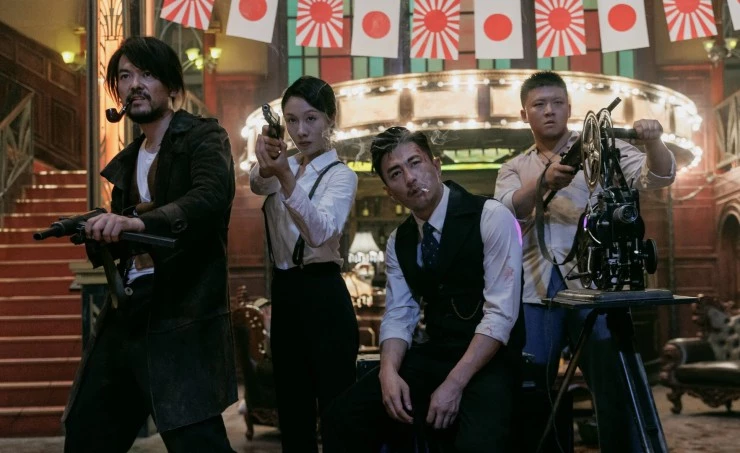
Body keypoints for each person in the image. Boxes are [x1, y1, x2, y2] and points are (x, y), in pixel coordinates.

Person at [61, 37, 237, 452]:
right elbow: (127, 236)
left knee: (196, 441)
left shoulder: (203, 136)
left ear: (172, 86)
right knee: (87, 432)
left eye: (147, 74)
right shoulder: (129, 157)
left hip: (182, 308)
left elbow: (210, 196)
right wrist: (98, 231)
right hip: (127, 309)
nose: (134, 84)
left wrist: (137, 221)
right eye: (125, 76)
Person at [494, 71, 676, 452]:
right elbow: (504, 211)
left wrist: (654, 140)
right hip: (536, 288)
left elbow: (658, 176)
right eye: (539, 104)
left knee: (613, 385)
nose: (549, 111)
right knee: (534, 386)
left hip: (597, 284)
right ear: (524, 114)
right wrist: (544, 181)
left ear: (569, 107)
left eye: (557, 103)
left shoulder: (602, 147)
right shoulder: (514, 167)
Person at [323, 126, 525, 453]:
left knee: (475, 446)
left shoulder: (491, 216)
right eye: (396, 173)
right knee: (342, 417)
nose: (410, 178)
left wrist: (454, 385)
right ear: (389, 191)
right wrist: (387, 372)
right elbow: (399, 315)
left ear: (436, 164)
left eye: (415, 163)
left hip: (490, 359)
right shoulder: (399, 240)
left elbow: (500, 316)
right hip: (436, 352)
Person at [249, 75, 359, 453]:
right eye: (292, 121)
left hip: (324, 292)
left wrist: (283, 174)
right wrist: (270, 163)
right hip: (285, 292)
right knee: (292, 412)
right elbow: (257, 183)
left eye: (311, 119)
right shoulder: (286, 164)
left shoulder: (341, 175)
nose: (301, 131)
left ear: (330, 119)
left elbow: (319, 231)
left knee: (336, 411)